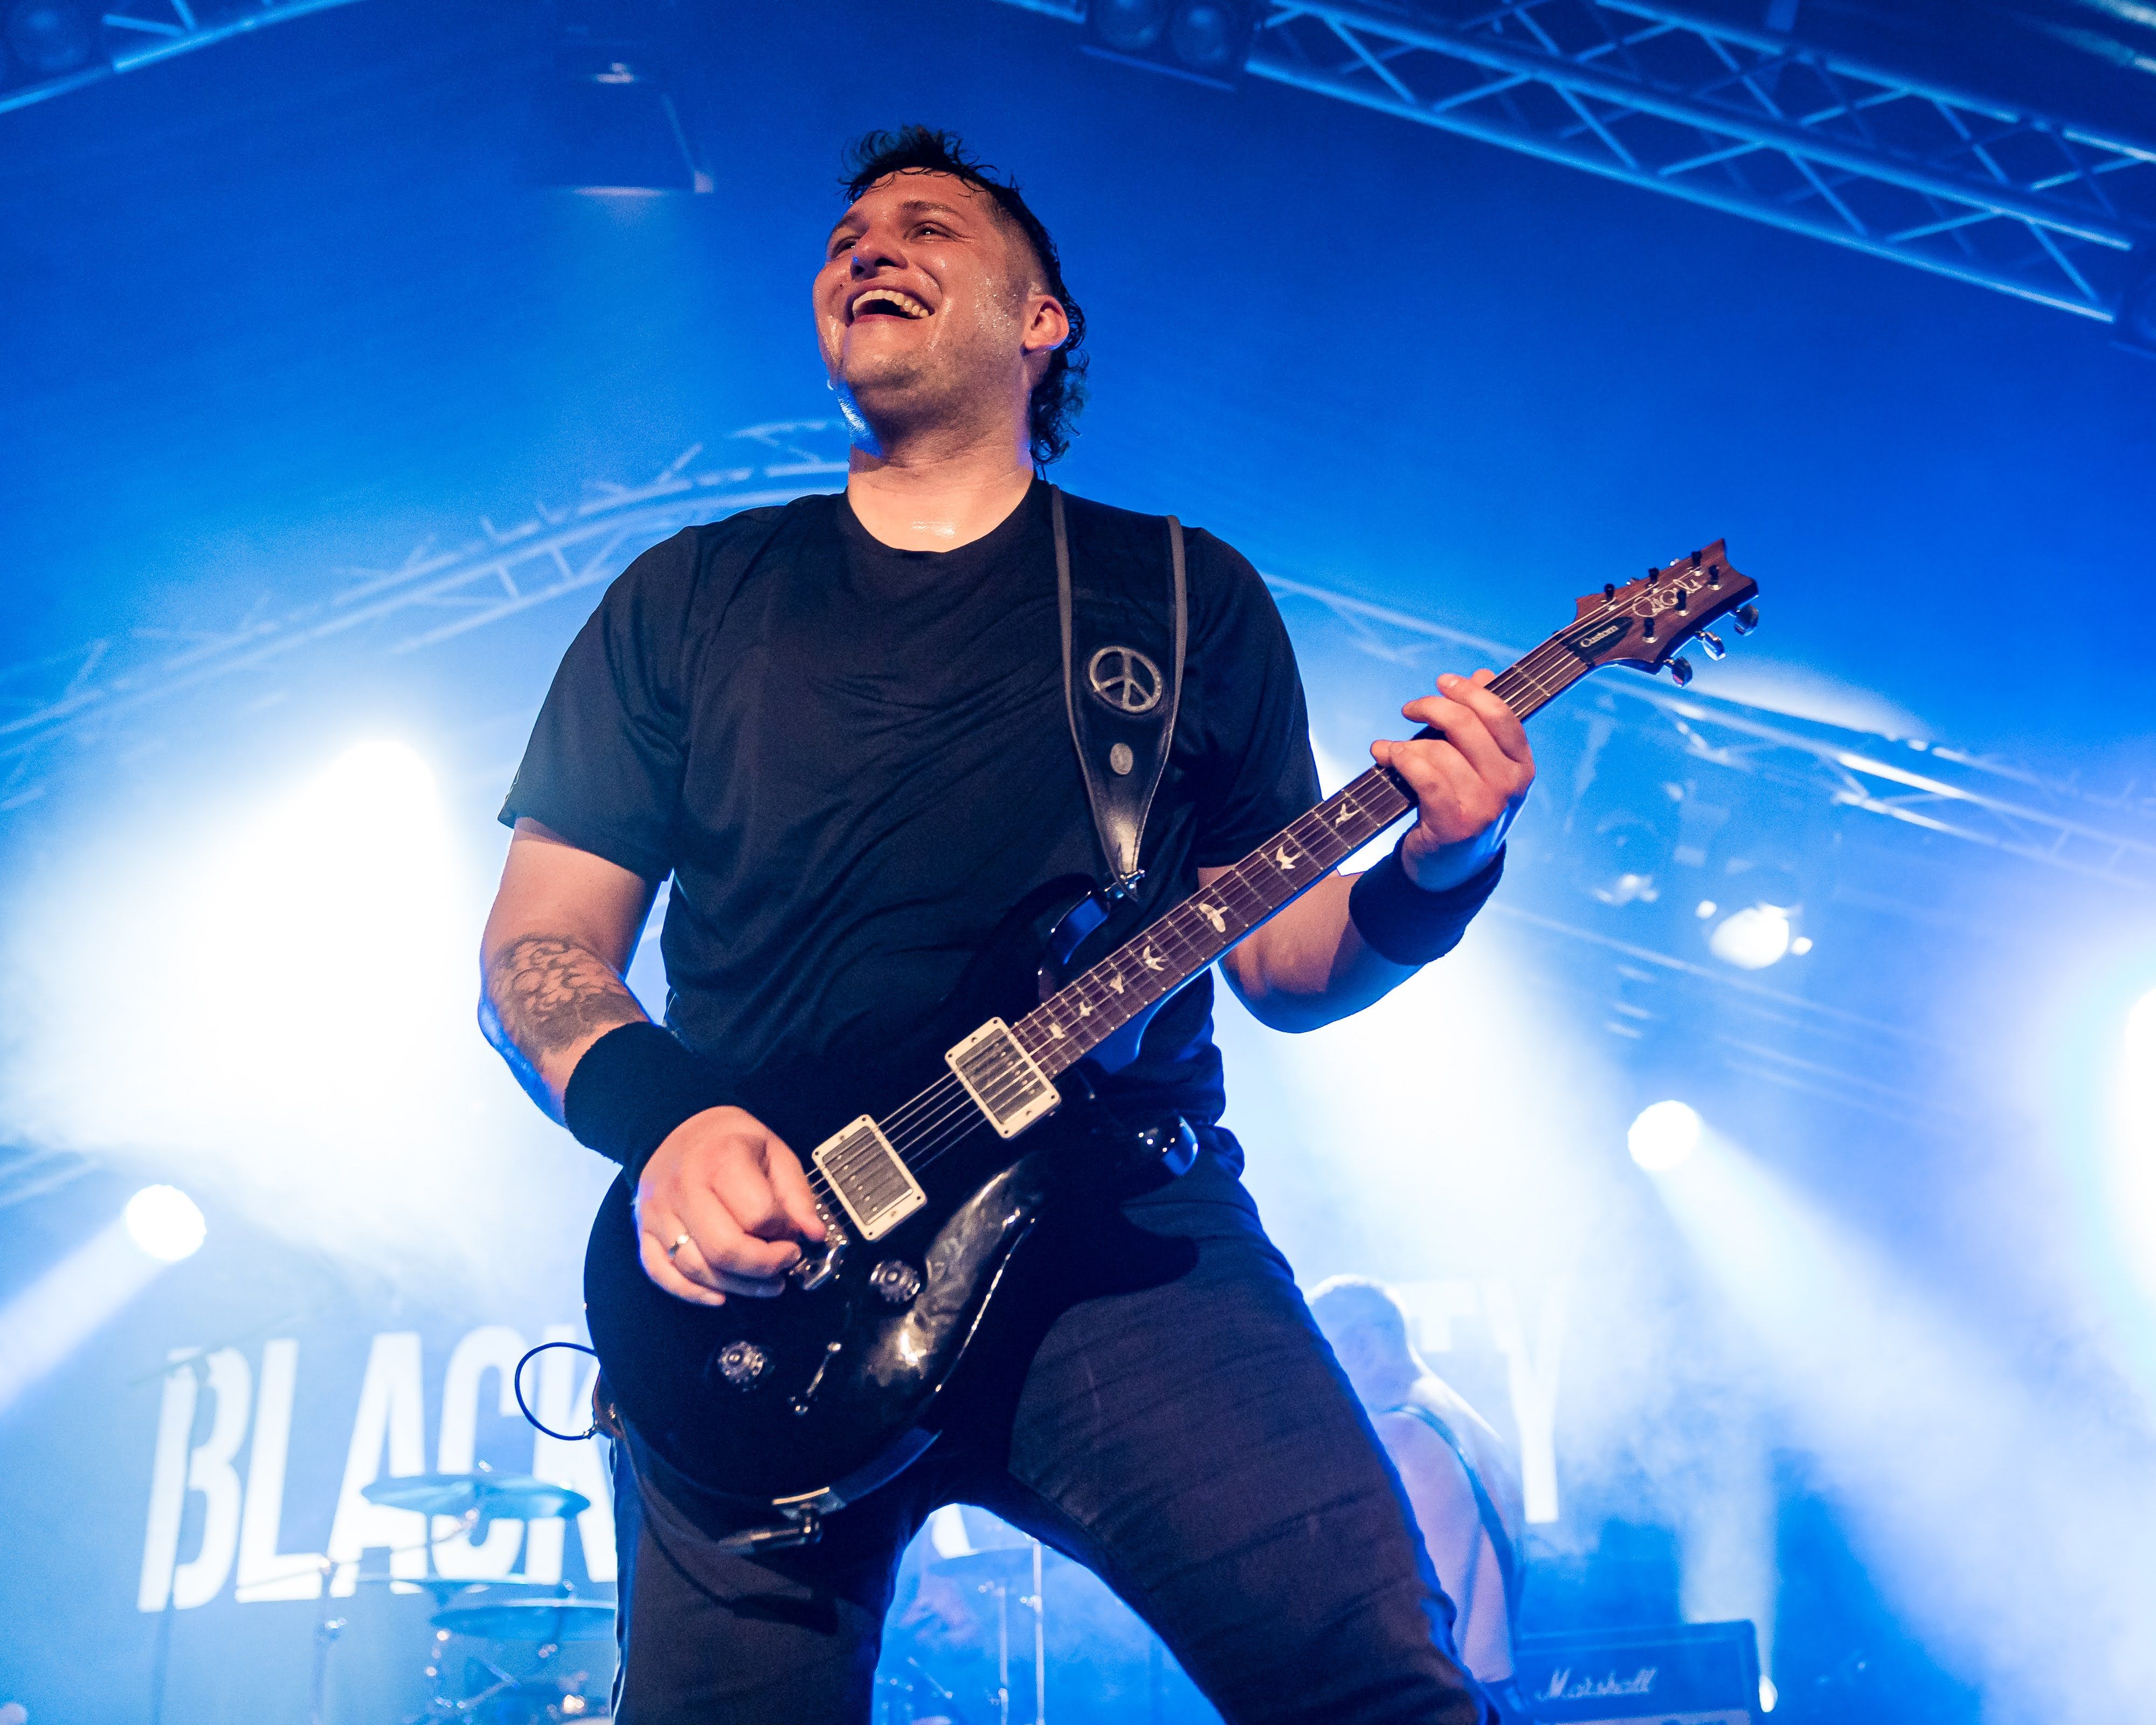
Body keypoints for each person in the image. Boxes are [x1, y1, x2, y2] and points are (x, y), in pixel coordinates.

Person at [478, 125, 1535, 1725]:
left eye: (925, 227)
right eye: (844, 234)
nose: (865, 248)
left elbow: (1280, 962)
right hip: (773, 1276)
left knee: (1371, 1690)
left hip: (1121, 1245)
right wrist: (668, 1123)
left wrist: (1437, 873)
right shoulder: (686, 594)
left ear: (1043, 324)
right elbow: (537, 948)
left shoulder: (1180, 596)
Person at [1309, 1278, 1528, 1721]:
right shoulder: (1478, 1431)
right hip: (1498, 1700)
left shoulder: (1403, 1436)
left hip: (1448, 1708)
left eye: (1318, 1356)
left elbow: (1428, 1632)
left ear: (1359, 1346)